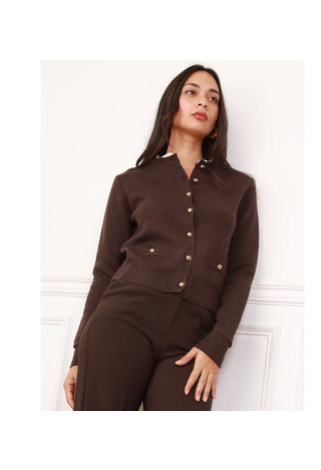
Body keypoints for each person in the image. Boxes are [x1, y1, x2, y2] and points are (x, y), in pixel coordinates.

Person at [63, 64, 259, 411]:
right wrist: (79, 356)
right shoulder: (131, 182)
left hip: (193, 340)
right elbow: (105, 271)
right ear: (171, 107)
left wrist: (217, 344)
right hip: (120, 322)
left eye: (213, 98)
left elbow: (241, 271)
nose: (203, 102)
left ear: (217, 121)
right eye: (192, 92)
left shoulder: (239, 188)